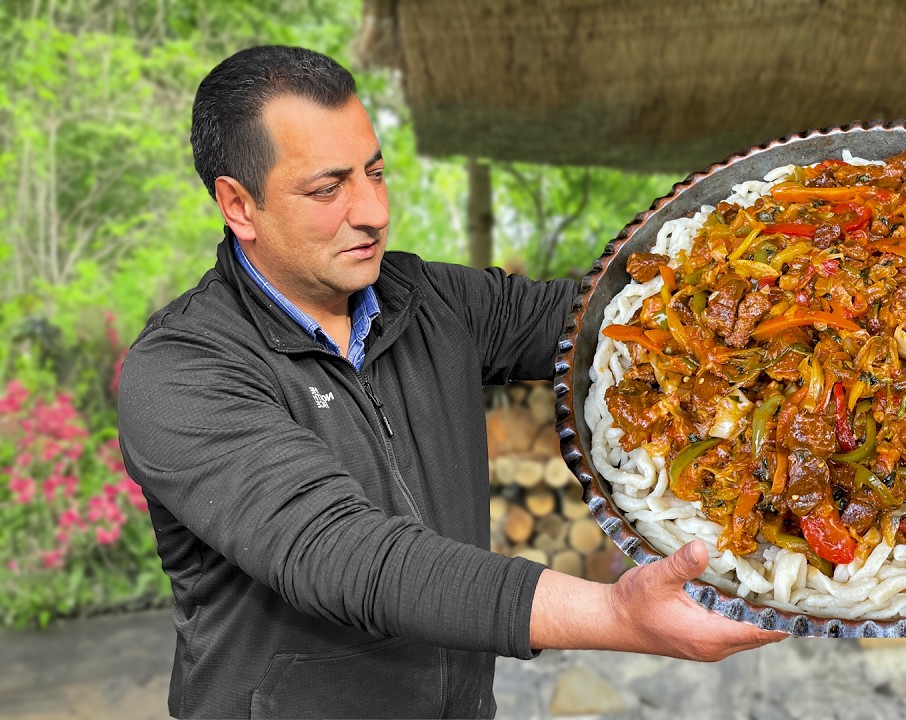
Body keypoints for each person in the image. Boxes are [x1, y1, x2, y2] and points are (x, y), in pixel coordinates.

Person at [116, 45, 784, 719]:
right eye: (328, 189)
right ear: (238, 205)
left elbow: (606, 319)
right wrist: (616, 614)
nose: (372, 210)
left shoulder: (431, 301)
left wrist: (772, 263)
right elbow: (341, 553)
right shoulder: (180, 373)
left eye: (375, 173)